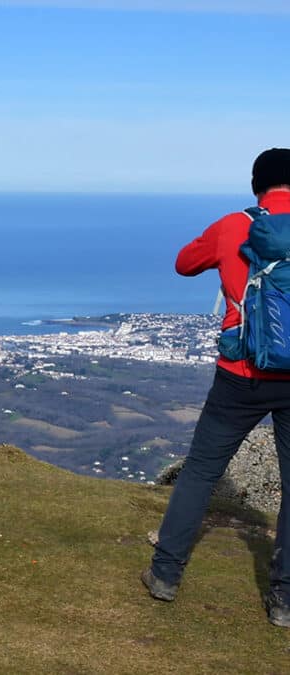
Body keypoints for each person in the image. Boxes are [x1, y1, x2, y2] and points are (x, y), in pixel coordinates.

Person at [142, 148, 290, 627]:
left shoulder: (234, 226)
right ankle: (284, 602)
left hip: (241, 373)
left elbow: (185, 263)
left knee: (202, 471)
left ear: (256, 185)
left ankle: (165, 575)